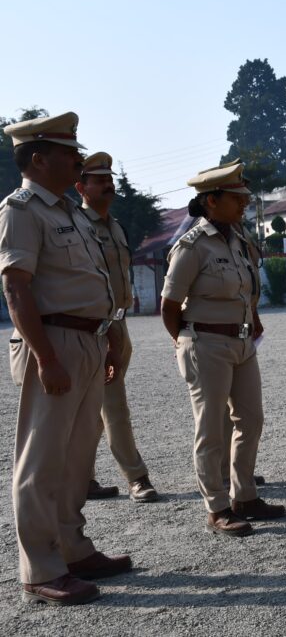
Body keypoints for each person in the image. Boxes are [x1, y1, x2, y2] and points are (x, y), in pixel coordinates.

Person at [1, 112, 131, 605]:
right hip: (53, 344)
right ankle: (40, 568)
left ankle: (73, 548)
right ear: (38, 159)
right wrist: (45, 358)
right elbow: (16, 289)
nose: (78, 160)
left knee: (77, 457)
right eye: (69, 153)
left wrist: (111, 338)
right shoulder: (22, 210)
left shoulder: (70, 212)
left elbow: (93, 283)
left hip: (90, 343)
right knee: (41, 461)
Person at [160, 161, 285, 537]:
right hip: (206, 342)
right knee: (211, 428)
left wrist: (252, 317)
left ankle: (244, 495)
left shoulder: (237, 239)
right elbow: (168, 306)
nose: (244, 203)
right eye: (236, 198)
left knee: (250, 420)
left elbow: (246, 288)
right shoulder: (192, 246)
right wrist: (186, 341)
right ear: (212, 201)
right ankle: (216, 507)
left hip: (242, 341)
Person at [76, 152, 160, 503]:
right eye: (99, 180)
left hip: (118, 327)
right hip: (91, 330)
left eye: (109, 178)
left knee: (98, 411)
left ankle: (84, 479)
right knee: (112, 408)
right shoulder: (76, 225)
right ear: (81, 187)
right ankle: (136, 478)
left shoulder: (115, 226)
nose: (108, 184)